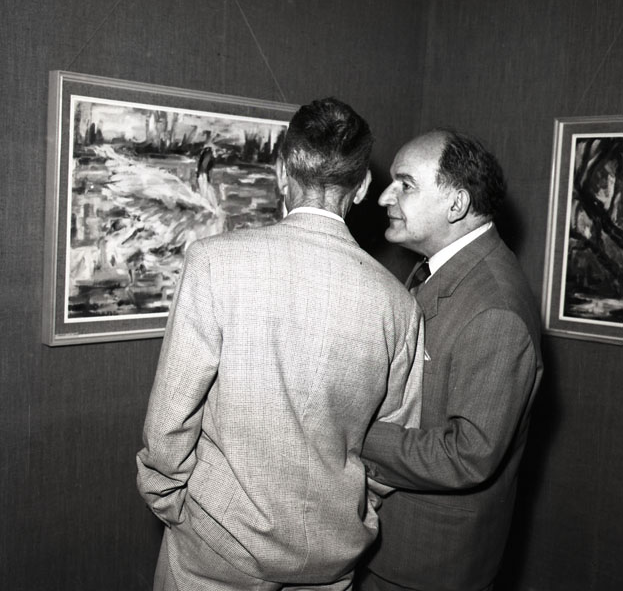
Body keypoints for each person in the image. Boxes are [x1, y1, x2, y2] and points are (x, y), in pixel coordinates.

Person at [136, 97, 424, 591]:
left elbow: (170, 421)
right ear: (362, 187)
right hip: (331, 554)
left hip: (217, 544)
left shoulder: (214, 262)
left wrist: (174, 504)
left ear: (281, 171)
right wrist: (356, 508)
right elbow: (393, 443)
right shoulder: (398, 304)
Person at [357, 130, 543, 591]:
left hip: (426, 563)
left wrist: (353, 429)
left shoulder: (494, 309)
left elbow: (468, 454)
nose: (384, 197)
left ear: (456, 204)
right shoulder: (440, 269)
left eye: (405, 184)